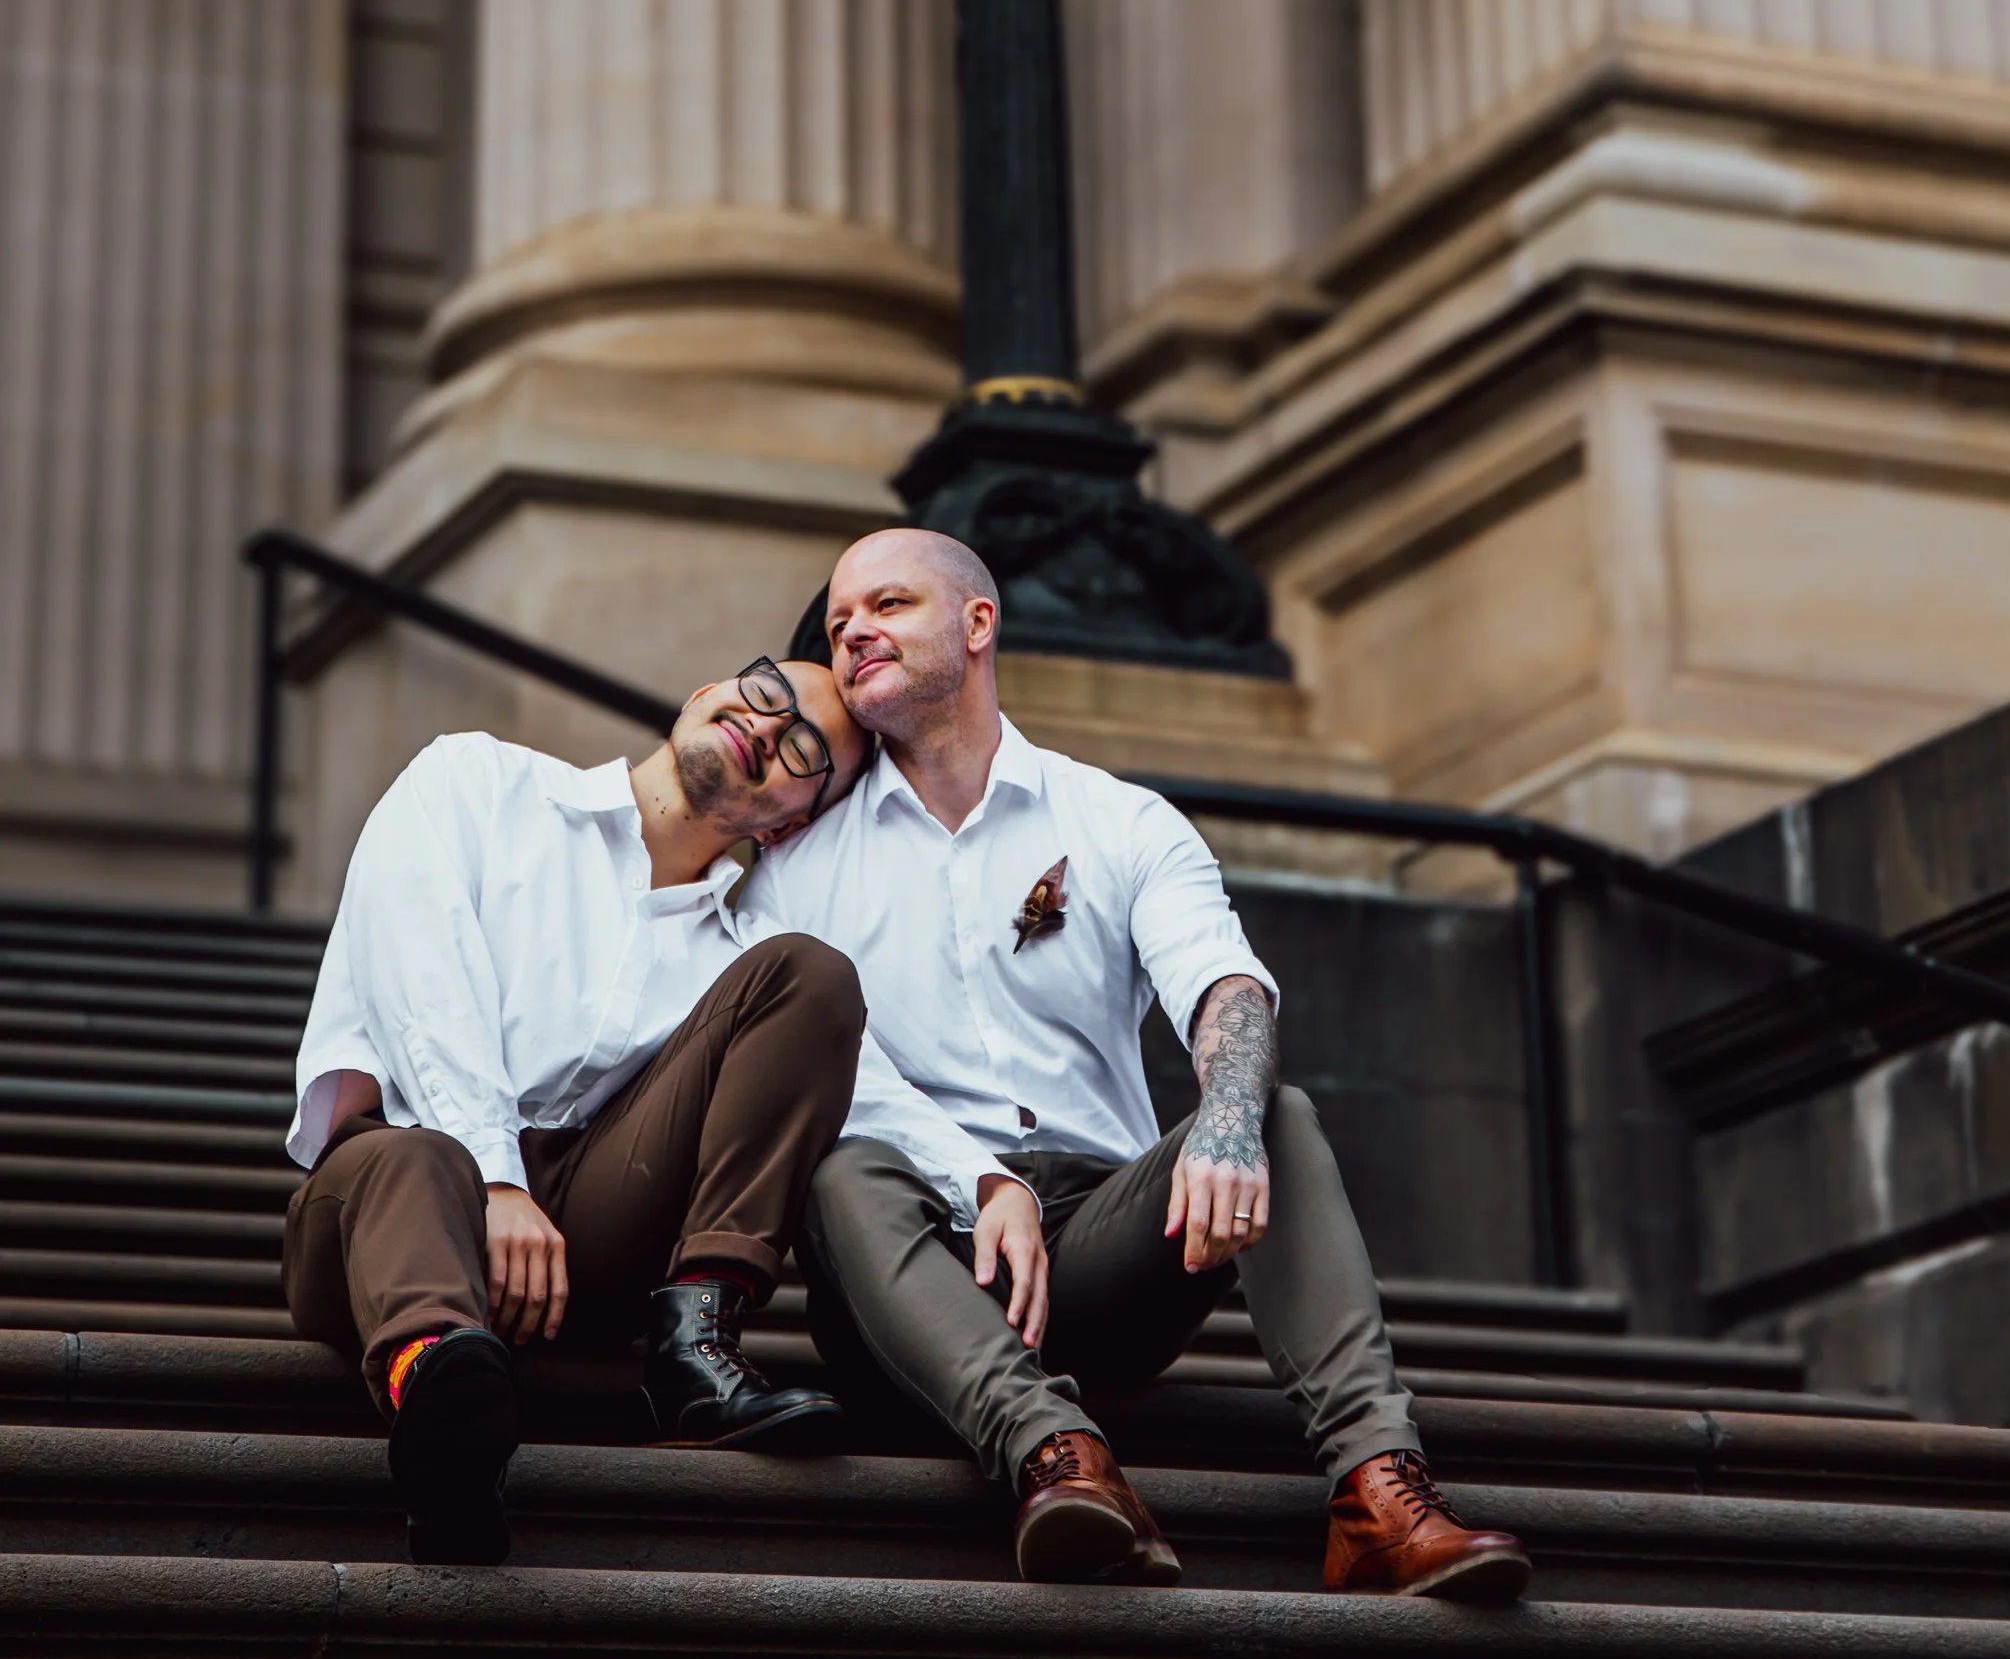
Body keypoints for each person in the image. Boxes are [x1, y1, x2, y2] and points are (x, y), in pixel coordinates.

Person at [762, 526, 1532, 1602]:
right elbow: (814, 1078)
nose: (853, 634)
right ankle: (1056, 1457)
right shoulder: (795, 862)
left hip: (1091, 1255)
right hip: (905, 1267)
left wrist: (1225, 1119)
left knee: (1276, 1111)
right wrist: (977, 1179)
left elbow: (1225, 984)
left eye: (887, 605)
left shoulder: (1118, 820)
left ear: (978, 625)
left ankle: (1376, 1493)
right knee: (843, 1168)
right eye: (841, 621)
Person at [285, 653, 877, 1566]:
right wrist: (494, 1176)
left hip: (582, 1251)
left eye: (805, 747)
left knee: (815, 975)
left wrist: (995, 1184)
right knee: (416, 1158)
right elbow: (423, 988)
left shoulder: (746, 955)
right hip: (387, 1204)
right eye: (766, 695)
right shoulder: (475, 782)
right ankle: (441, 1410)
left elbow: (879, 1093)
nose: (767, 727)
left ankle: (696, 1342)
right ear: (703, 692)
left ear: (800, 820)